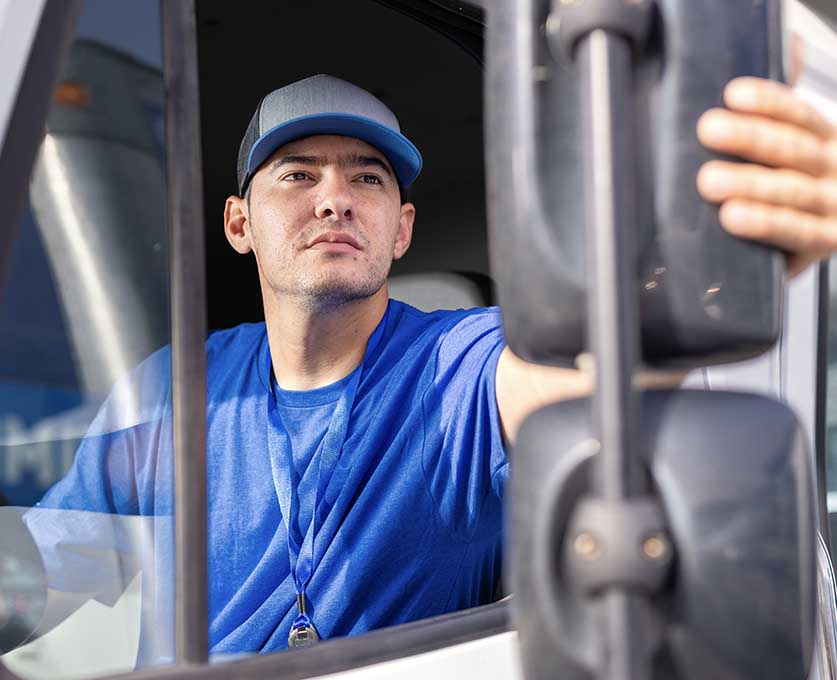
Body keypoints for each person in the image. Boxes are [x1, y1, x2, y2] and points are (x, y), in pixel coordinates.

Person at [24, 73, 837, 662]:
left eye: (366, 178)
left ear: (401, 227)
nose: (334, 199)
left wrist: (707, 265)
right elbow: (50, 573)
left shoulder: (460, 361)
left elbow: (575, 371)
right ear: (239, 223)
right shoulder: (175, 387)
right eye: (298, 176)